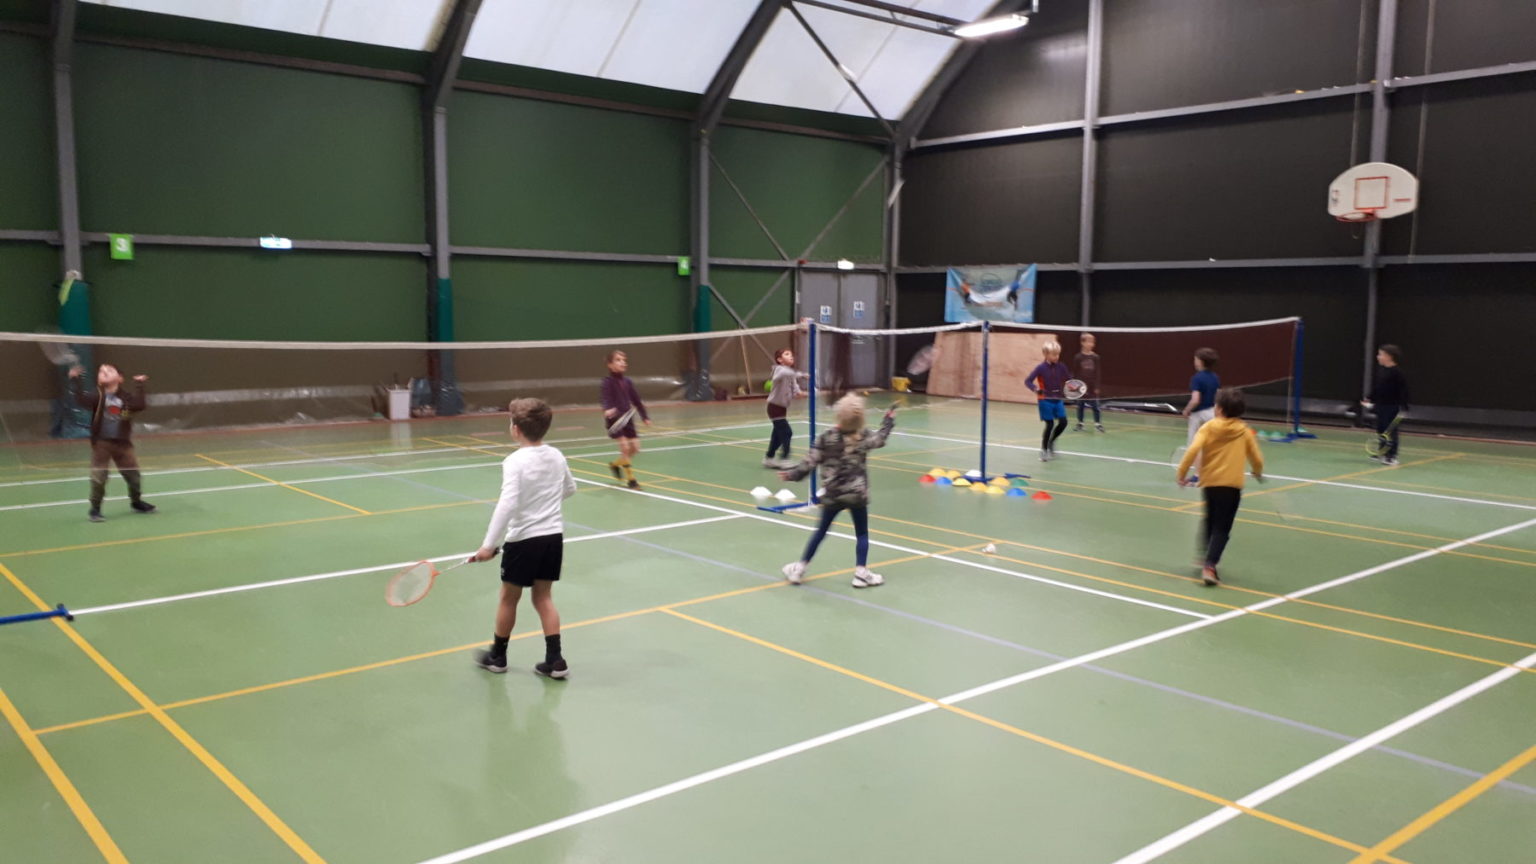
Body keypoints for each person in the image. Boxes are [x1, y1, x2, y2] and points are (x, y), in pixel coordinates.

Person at [470, 398, 577, 679]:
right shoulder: (557, 455)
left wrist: (487, 546)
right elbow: (570, 489)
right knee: (543, 598)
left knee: (508, 598)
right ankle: (555, 660)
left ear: (516, 429)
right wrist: (544, 504)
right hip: (552, 537)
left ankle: (498, 656)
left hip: (523, 541)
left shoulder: (514, 461)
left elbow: (507, 505)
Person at [778, 395, 895, 589]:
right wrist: (888, 421)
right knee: (862, 534)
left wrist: (793, 475)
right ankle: (861, 573)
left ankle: (799, 569)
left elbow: (809, 462)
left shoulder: (826, 437)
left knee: (821, 532)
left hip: (832, 493)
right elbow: (881, 438)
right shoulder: (863, 436)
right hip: (857, 493)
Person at [1177, 388, 1264, 587]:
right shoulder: (1244, 430)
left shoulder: (1208, 428)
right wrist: (1257, 471)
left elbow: (1192, 451)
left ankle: (1203, 556)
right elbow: (1257, 458)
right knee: (1222, 528)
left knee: (1209, 520)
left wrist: (1181, 474)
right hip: (1232, 486)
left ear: (1220, 409)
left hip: (1210, 484)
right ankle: (1210, 565)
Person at [69, 363, 155, 523]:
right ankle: (95, 509)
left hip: (123, 444)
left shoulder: (126, 398)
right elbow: (80, 399)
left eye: (109, 370)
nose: (104, 372)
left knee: (134, 476)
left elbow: (140, 404)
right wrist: (75, 379)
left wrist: (140, 385)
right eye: (101, 371)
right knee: (98, 478)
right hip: (101, 444)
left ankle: (136, 502)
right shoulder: (97, 396)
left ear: (120, 378)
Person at [600, 350, 650, 490]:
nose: (622, 362)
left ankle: (615, 465)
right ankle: (632, 480)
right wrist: (607, 409)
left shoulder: (627, 382)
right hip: (614, 420)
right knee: (625, 447)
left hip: (628, 418)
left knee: (635, 448)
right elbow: (605, 398)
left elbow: (637, 400)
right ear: (610, 365)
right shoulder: (607, 382)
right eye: (618, 360)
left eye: (623, 360)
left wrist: (644, 416)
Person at [1362, 344, 1408, 466]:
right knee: (1381, 429)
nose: (1378, 357)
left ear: (1389, 356)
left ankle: (1392, 456)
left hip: (1392, 406)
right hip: (1381, 405)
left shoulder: (1398, 373)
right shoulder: (1382, 371)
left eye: (1380, 354)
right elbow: (1378, 388)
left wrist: (1403, 407)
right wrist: (1369, 398)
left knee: (1391, 431)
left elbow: (1403, 391)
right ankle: (1382, 451)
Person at [1025, 341, 1071, 461]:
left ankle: (1051, 442)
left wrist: (1073, 386)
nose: (1056, 357)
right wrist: (1035, 389)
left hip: (1058, 399)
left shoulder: (1061, 366)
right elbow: (1028, 381)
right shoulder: (1040, 368)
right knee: (1050, 424)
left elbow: (1069, 380)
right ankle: (1044, 450)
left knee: (1063, 422)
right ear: (1045, 354)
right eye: (1053, 354)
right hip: (1045, 400)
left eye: (1058, 354)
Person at [764, 347, 808, 469]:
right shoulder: (778, 370)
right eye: (787, 354)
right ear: (779, 360)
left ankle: (769, 458)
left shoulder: (790, 373)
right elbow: (787, 373)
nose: (791, 356)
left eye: (791, 354)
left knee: (778, 434)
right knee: (787, 432)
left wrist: (801, 393)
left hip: (782, 407)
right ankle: (785, 459)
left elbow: (795, 389)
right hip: (774, 407)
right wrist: (803, 374)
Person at [1180, 348, 1221, 479]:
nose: (1194, 361)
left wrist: (1187, 410)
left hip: (1199, 415)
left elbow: (1195, 399)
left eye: (1196, 359)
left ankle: (1198, 476)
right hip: (1213, 413)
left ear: (1201, 362)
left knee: (1196, 446)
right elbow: (1218, 396)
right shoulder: (1215, 377)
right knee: (1210, 445)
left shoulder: (1197, 378)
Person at [1072, 332, 1104, 433]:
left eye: (1093, 342)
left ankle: (1098, 424)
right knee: (1080, 406)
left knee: (1095, 406)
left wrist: (1097, 386)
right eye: (1089, 341)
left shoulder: (1095, 357)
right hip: (1081, 386)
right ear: (1082, 343)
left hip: (1092, 386)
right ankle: (1080, 423)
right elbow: (1075, 372)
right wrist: (1074, 385)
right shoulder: (1078, 357)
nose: (1091, 344)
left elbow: (1098, 372)